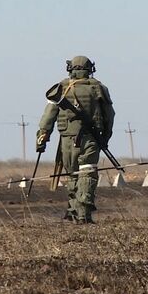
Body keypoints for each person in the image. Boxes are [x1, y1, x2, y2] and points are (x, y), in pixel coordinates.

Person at [36, 56, 115, 224]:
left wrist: (42, 138)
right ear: (89, 69)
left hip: (67, 140)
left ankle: (72, 211)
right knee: (87, 173)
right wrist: (105, 137)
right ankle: (83, 215)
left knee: (72, 174)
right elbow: (109, 115)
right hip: (90, 140)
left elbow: (47, 117)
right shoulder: (99, 88)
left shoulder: (60, 89)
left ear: (70, 68)